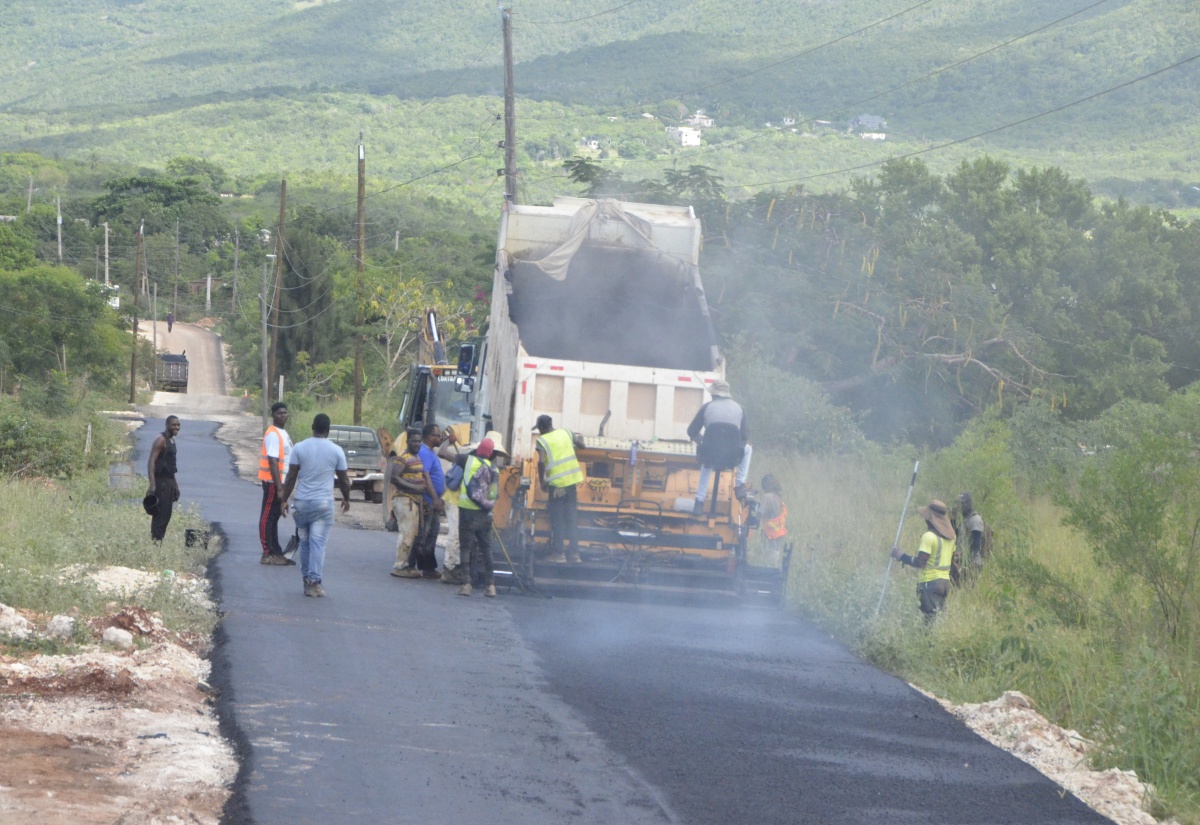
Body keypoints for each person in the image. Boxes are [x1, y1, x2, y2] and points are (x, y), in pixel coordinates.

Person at [279, 413, 351, 598]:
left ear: (312, 426)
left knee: (305, 542)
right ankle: (314, 582)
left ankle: (306, 580)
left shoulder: (300, 448)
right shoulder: (336, 450)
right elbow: (343, 479)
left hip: (301, 504)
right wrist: (346, 498)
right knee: (318, 543)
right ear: (328, 429)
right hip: (323, 505)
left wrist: (284, 499)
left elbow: (291, 477)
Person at [687, 379, 752, 515]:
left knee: (707, 463)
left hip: (710, 453)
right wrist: (735, 447)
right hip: (732, 456)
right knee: (749, 449)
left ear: (714, 395)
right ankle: (740, 485)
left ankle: (699, 501)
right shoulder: (740, 408)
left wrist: (701, 442)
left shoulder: (706, 407)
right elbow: (745, 437)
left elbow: (691, 431)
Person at [889, 500, 957, 622]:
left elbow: (921, 562)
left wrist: (900, 556)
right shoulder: (951, 538)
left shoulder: (928, 537)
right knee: (938, 620)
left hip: (929, 583)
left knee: (928, 621)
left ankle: (928, 640)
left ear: (930, 518)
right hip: (945, 584)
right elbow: (952, 559)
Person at [535, 414, 584, 564]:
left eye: (539, 429)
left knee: (557, 520)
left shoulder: (542, 441)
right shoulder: (567, 433)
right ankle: (574, 554)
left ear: (542, 427)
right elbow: (582, 445)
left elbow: (541, 462)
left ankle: (558, 554)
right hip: (571, 484)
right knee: (571, 519)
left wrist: (542, 481)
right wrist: (580, 440)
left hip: (556, 486)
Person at [390, 430, 436, 579]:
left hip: (414, 500)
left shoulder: (416, 458)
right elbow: (394, 478)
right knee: (407, 533)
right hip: (404, 499)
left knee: (413, 534)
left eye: (418, 441)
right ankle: (400, 566)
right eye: (413, 441)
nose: (416, 444)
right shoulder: (402, 458)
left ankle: (406, 565)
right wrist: (415, 488)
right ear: (407, 442)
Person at [457, 437, 499, 597]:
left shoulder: (468, 461)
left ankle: (466, 584)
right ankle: (491, 586)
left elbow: (442, 452)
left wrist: (452, 441)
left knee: (465, 548)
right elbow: (494, 493)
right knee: (487, 549)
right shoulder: (494, 469)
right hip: (485, 514)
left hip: (467, 512)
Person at [258, 402, 295, 566]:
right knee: (267, 517)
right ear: (273, 415)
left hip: (281, 483)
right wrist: (280, 487)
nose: (283, 416)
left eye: (285, 413)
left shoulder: (282, 432)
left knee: (274, 516)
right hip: (273, 482)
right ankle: (268, 552)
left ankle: (276, 551)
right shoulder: (273, 434)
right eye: (280, 413)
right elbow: (273, 462)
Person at [146, 416, 181, 542]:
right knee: (159, 516)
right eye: (173, 425)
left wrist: (175, 487)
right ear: (166, 425)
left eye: (178, 425)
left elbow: (171, 468)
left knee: (166, 515)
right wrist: (152, 485)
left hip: (169, 482)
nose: (176, 427)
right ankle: (155, 543)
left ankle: (158, 542)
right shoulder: (161, 439)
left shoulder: (172, 441)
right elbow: (151, 461)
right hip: (161, 483)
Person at [951, 492, 990, 584]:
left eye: (962, 504)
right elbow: (953, 535)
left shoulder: (975, 520)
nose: (960, 506)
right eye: (959, 504)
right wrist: (953, 519)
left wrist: (965, 557)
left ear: (967, 504)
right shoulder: (966, 520)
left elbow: (976, 545)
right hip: (962, 563)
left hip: (972, 563)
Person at [759, 474, 788, 568]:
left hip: (770, 533)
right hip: (779, 531)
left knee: (767, 557)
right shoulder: (778, 497)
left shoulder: (767, 497)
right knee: (775, 554)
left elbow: (760, 513)